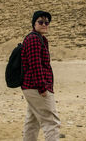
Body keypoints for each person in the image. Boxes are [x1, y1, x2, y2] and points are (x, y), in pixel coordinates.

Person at [21, 10, 60, 141]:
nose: (44, 24)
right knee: (51, 122)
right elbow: (35, 65)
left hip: (32, 87)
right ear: (34, 23)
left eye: (47, 22)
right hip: (36, 87)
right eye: (41, 22)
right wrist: (42, 88)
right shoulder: (33, 39)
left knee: (32, 121)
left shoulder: (40, 39)